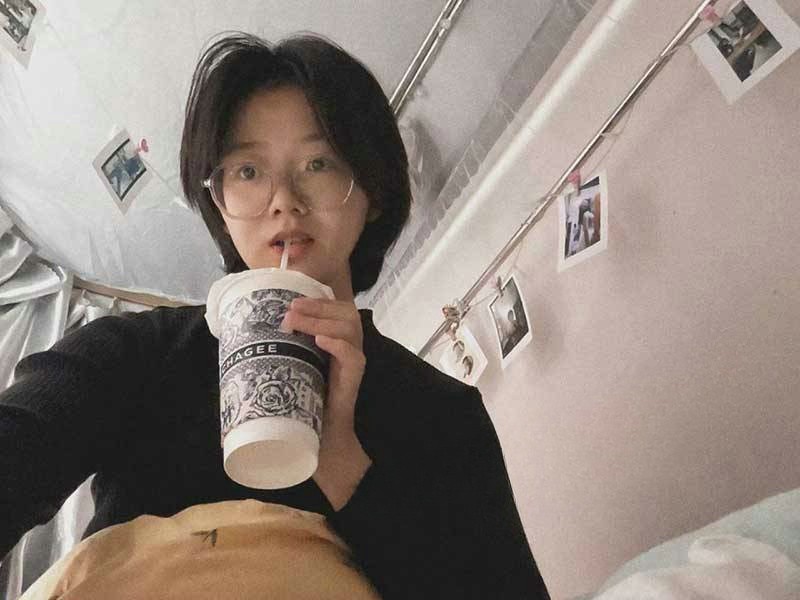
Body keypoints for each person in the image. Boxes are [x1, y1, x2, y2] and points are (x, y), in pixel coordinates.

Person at [0, 32, 550, 599]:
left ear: (374, 191)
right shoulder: (136, 353)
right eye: (247, 171)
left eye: (318, 163)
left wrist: (343, 464)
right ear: (218, 201)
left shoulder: (440, 415)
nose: (283, 199)